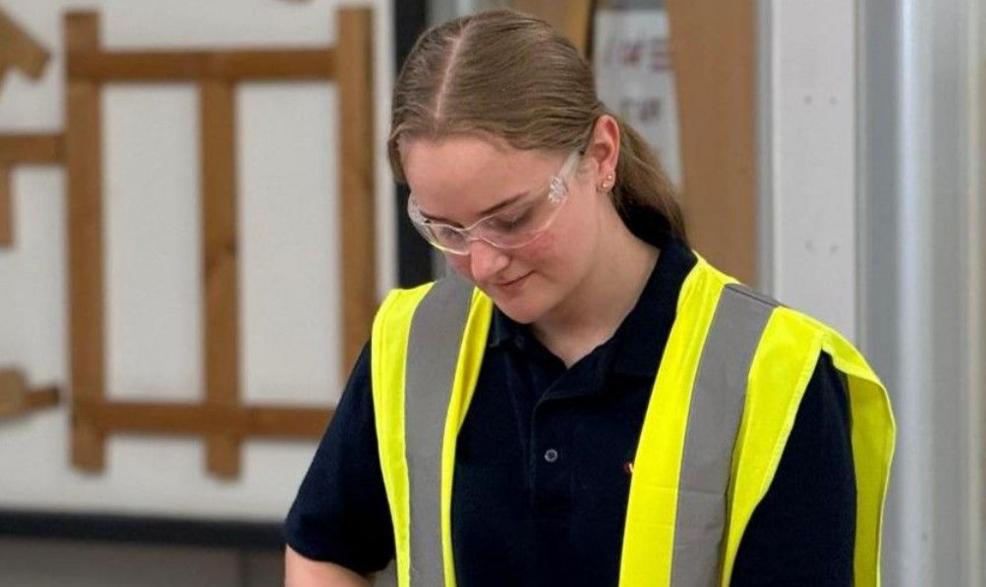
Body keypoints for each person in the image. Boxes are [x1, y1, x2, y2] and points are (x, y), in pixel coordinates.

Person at [285, 9, 894, 587]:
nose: (484, 263)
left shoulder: (774, 371)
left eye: (513, 218)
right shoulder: (415, 342)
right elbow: (324, 547)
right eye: (447, 229)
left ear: (600, 155)